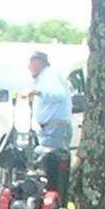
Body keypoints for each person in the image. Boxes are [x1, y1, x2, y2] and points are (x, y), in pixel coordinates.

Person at [23, 50, 74, 200]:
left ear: (39, 63)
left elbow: (59, 95)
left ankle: (54, 202)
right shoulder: (45, 77)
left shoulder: (49, 76)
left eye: (31, 63)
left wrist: (37, 92)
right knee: (46, 167)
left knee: (52, 168)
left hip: (55, 129)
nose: (29, 67)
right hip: (49, 129)